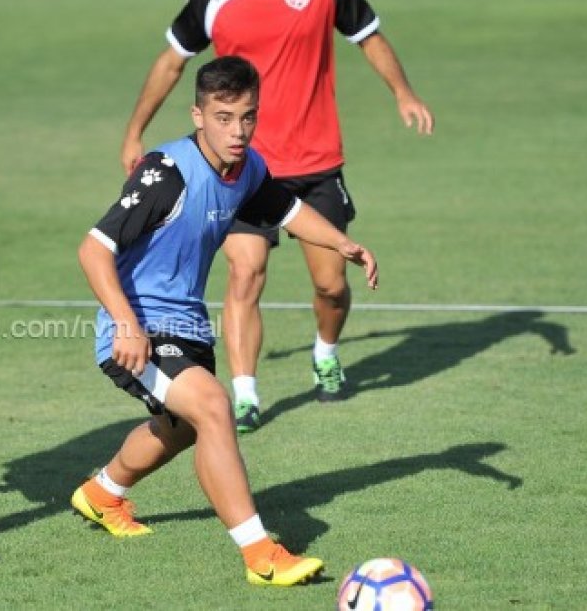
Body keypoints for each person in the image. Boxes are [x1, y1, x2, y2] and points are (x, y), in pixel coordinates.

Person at [72, 56, 378, 585]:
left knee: (181, 428)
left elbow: (288, 210)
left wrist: (341, 242)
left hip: (188, 325)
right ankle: (261, 556)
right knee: (214, 407)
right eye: (223, 117)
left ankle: (102, 493)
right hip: (138, 326)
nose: (237, 131)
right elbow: (93, 249)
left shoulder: (247, 168)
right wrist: (125, 323)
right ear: (198, 115)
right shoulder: (165, 172)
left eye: (247, 116)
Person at [120, 0, 434, 433]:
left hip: (316, 162)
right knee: (245, 273)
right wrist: (135, 130)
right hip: (243, 169)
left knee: (332, 285)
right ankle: (246, 393)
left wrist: (404, 93)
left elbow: (369, 36)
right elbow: (171, 61)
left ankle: (325, 352)